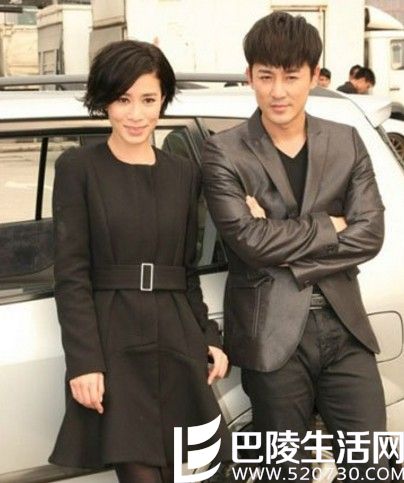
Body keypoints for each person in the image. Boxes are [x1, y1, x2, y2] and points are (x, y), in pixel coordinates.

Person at [202, 11, 389, 482]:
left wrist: (278, 234)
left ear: (313, 75)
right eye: (266, 76)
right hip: (271, 336)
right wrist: (332, 225)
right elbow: (248, 242)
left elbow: (370, 233)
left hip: (346, 330)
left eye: (291, 76)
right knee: (285, 471)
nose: (278, 91)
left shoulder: (345, 140)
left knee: (372, 465)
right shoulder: (224, 151)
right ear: (249, 76)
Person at [49, 39, 230, 483]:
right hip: (116, 344)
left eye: (148, 100)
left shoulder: (183, 173)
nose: (136, 114)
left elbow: (186, 272)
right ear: (104, 102)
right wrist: (84, 362)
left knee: (198, 473)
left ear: (163, 100)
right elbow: (71, 275)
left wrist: (208, 336)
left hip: (177, 339)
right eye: (123, 99)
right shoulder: (78, 168)